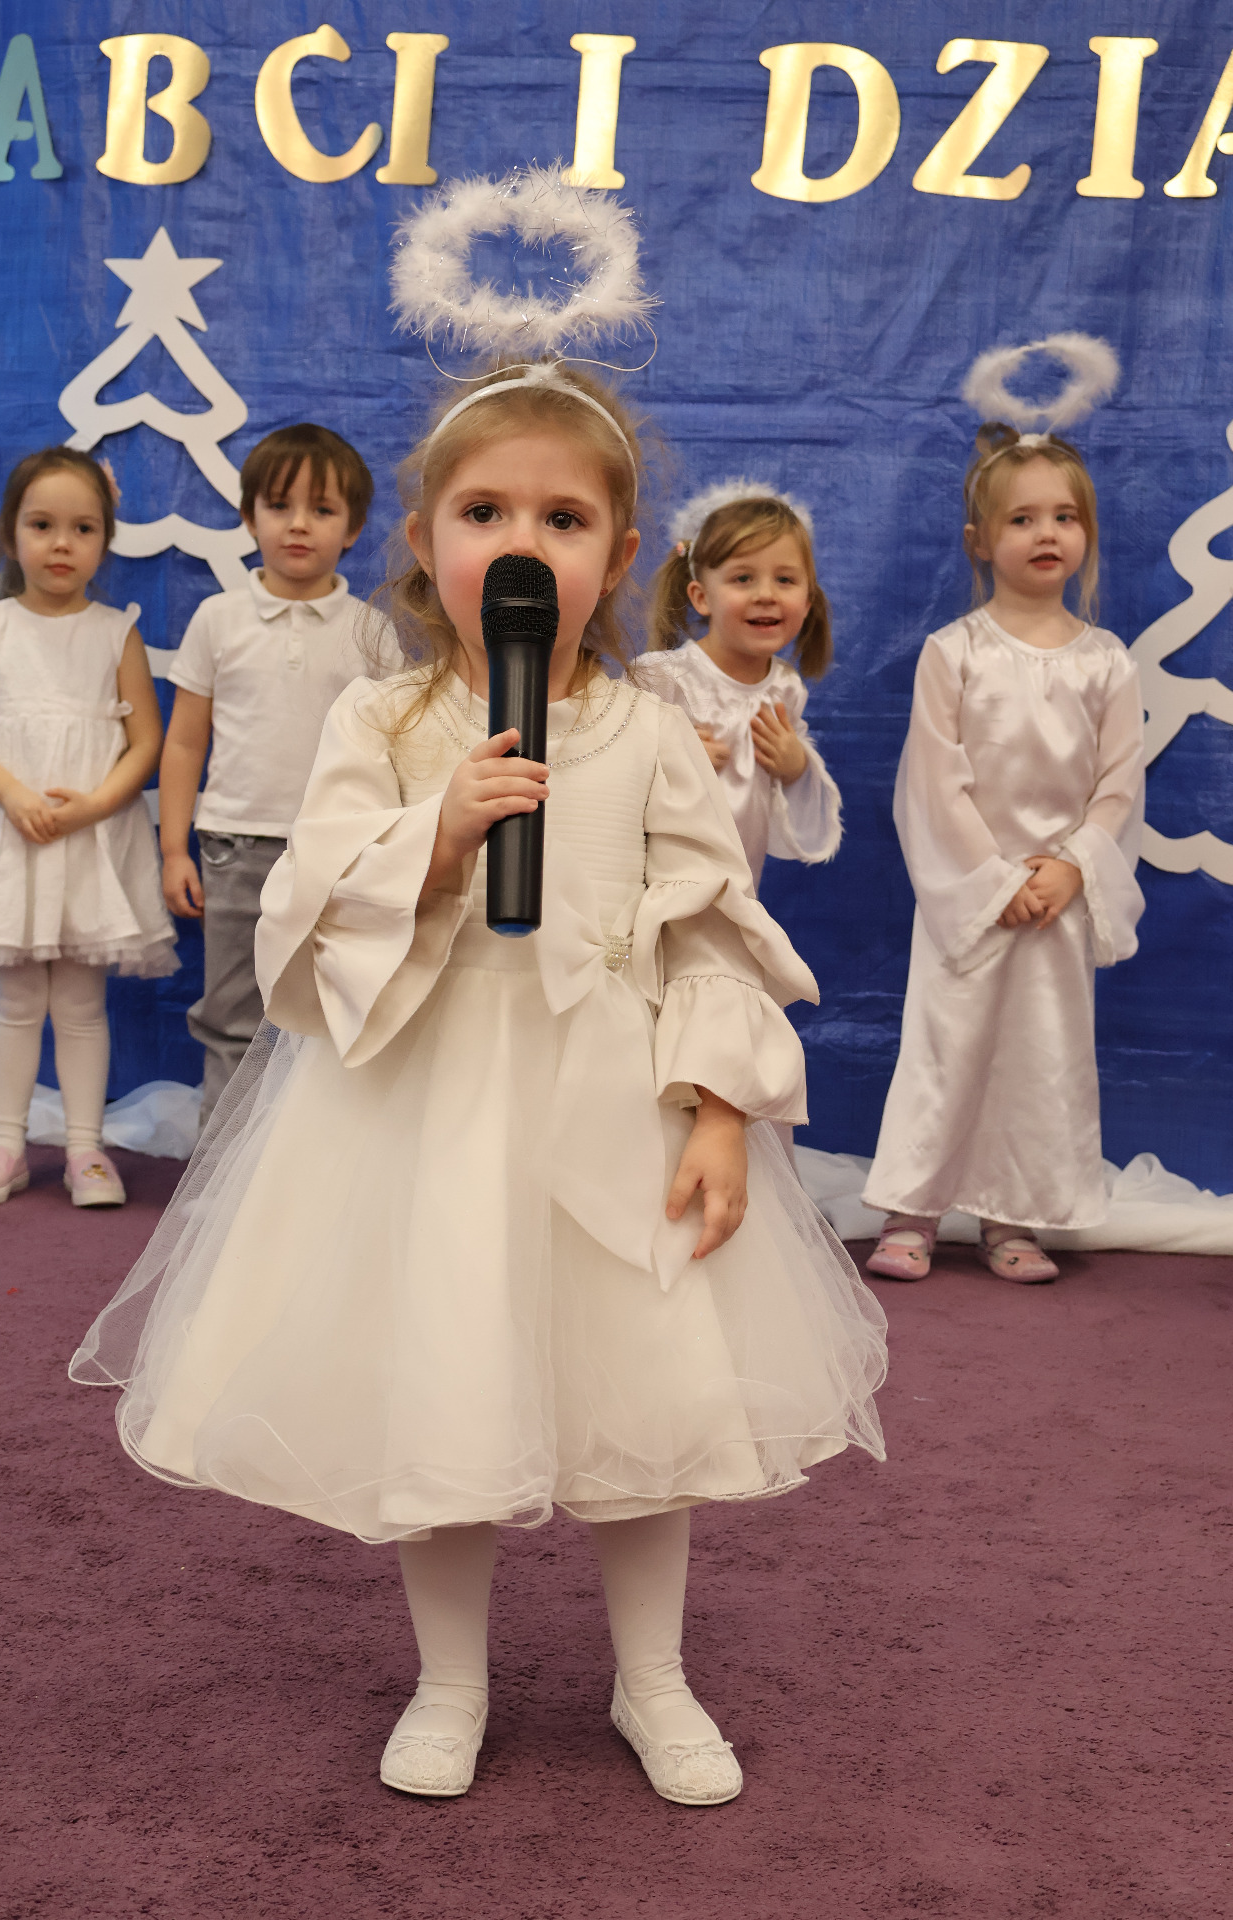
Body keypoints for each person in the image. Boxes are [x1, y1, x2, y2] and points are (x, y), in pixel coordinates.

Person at [71, 359, 886, 1807]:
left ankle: (652, 1676)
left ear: (619, 561)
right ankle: (451, 1679)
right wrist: (436, 839)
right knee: (440, 1377)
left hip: (612, 1095)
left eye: (563, 521)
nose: (522, 545)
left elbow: (708, 924)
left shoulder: (647, 731)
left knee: (649, 1395)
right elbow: (307, 921)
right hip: (426, 1101)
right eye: (485, 512)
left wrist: (718, 1110)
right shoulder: (382, 723)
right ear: (425, 542)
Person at [862, 424, 1145, 1284]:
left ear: (1086, 531)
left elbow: (1119, 785)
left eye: (1064, 516)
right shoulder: (955, 653)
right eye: (1021, 519)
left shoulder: (1107, 663)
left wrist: (1073, 866)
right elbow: (933, 782)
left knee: (1039, 1059)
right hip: (972, 899)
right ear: (979, 541)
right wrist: (993, 882)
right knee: (946, 1049)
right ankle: (912, 1211)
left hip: (1056, 901)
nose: (1045, 533)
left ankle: (1012, 1217)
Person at [158, 423, 400, 1128]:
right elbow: (184, 743)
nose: (299, 525)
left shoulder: (372, 632)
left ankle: (308, 1169)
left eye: (322, 510)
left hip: (338, 854)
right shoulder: (218, 618)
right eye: (279, 505)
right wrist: (174, 849)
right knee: (233, 1018)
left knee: (330, 1015)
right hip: (233, 849)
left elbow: (395, 752)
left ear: (353, 529)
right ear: (248, 516)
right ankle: (217, 1173)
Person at [0, 447, 174, 1206]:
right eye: (42, 525)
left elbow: (146, 742)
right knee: (15, 1001)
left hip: (87, 845)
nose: (61, 544)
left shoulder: (116, 633)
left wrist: (94, 805)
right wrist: (14, 794)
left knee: (81, 1005)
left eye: (83, 528)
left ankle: (86, 1148)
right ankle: (6, 1143)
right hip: (13, 843)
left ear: (105, 540)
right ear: (11, 533)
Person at [636, 482, 841, 889]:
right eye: (743, 578)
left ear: (807, 600)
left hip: (739, 888)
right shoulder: (663, 679)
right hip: (658, 887)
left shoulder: (784, 688)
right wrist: (669, 756)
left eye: (785, 579)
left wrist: (795, 766)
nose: (766, 595)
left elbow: (790, 807)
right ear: (701, 597)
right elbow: (610, 772)